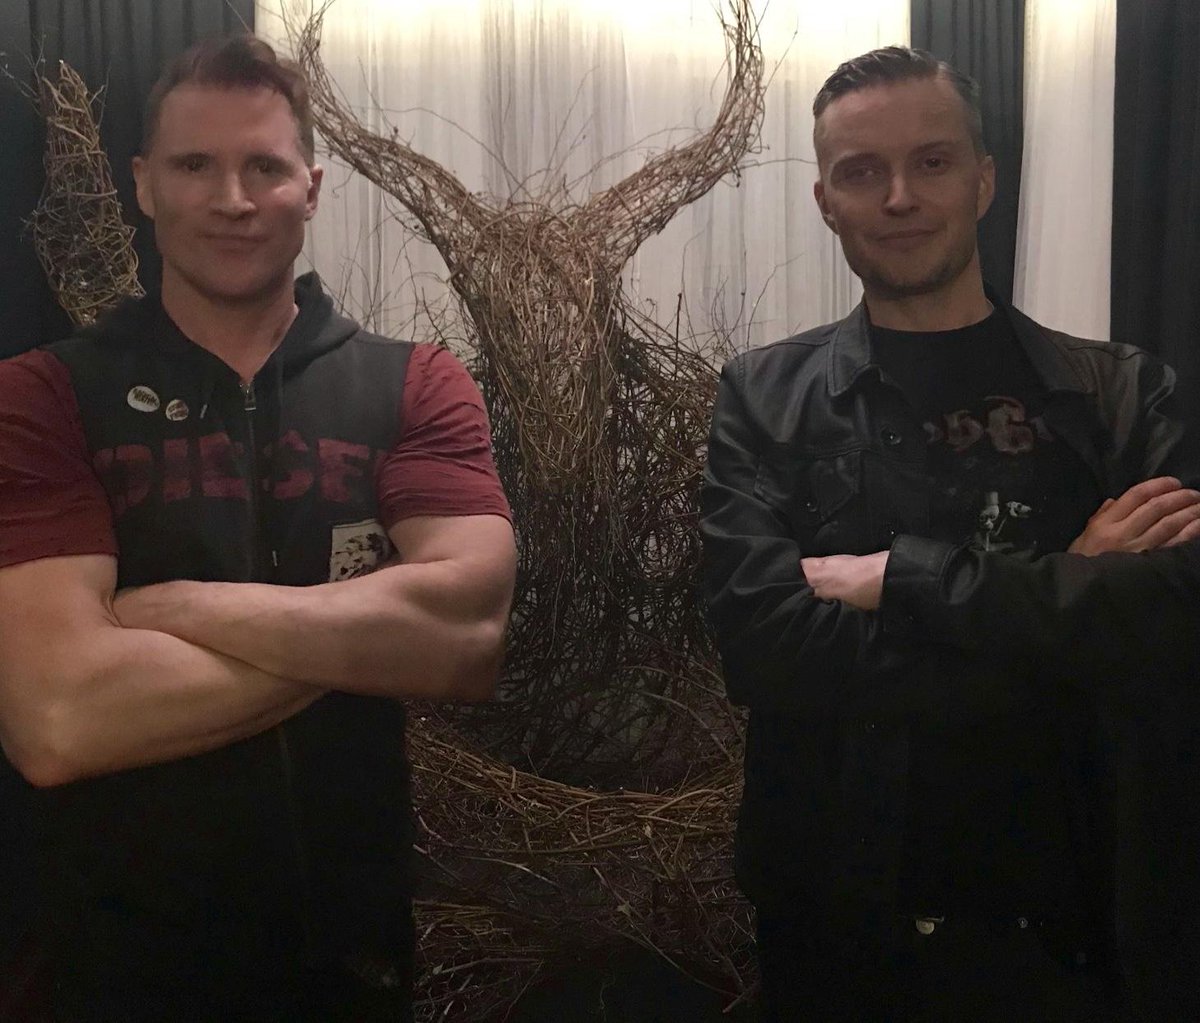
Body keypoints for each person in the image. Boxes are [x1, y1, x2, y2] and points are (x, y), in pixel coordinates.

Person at [0, 35, 516, 1022]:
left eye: (265, 167)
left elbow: (469, 638)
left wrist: (174, 610)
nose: (232, 200)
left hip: (352, 963)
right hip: (107, 971)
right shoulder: (43, 395)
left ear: (311, 189)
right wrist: (378, 633)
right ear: (144, 184)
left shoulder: (416, 384)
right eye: (196, 165)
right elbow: (60, 718)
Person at [700, 46, 1200, 1021]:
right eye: (862, 171)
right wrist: (1070, 586)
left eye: (931, 161)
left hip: (1075, 924)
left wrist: (907, 579)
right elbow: (768, 651)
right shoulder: (765, 398)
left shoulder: (1118, 393)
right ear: (825, 202)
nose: (899, 196)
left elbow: (1173, 619)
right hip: (838, 922)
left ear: (984, 180)